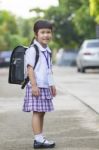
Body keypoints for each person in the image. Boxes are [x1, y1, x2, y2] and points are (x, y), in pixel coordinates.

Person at [23, 20, 56, 149]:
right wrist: (34, 85)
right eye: (43, 32)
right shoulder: (33, 49)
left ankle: (40, 137)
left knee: (42, 112)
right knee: (37, 112)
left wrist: (52, 85)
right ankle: (37, 140)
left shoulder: (47, 50)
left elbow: (49, 69)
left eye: (48, 32)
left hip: (45, 85)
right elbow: (30, 68)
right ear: (36, 34)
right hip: (36, 86)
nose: (46, 35)